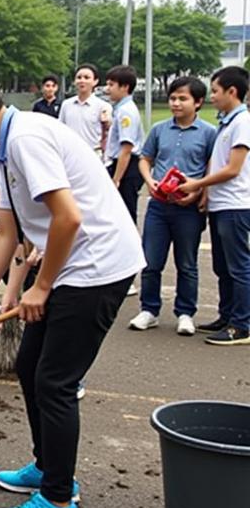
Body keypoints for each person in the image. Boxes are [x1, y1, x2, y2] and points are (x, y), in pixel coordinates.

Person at [0, 77, 143, 508]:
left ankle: (59, 502)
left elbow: (68, 217)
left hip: (97, 268)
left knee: (55, 381)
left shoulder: (26, 139)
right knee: (29, 366)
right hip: (72, 267)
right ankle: (48, 468)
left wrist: (40, 288)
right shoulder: (4, 151)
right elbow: (8, 232)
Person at [129, 77, 215, 336]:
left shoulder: (209, 132)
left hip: (188, 208)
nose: (176, 103)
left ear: (198, 102)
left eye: (182, 98)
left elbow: (212, 166)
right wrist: (149, 180)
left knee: (186, 263)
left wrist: (200, 191)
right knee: (151, 260)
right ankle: (149, 310)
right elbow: (145, 159)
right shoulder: (159, 129)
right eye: (173, 98)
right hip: (158, 204)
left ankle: (186, 313)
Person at [177, 65, 250, 345]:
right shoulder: (227, 121)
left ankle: (241, 325)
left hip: (235, 205)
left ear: (232, 91)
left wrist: (197, 184)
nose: (213, 97)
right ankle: (228, 314)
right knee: (223, 266)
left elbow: (233, 169)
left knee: (238, 266)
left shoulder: (242, 122)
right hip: (221, 204)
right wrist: (207, 191)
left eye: (216, 91)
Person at [103, 64, 144, 223]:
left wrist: (116, 178)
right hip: (121, 165)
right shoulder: (120, 109)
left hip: (126, 168)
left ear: (125, 87)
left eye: (111, 84)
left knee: (125, 214)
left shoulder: (126, 111)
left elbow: (126, 149)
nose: (108, 89)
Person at [58, 63, 111, 158]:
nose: (82, 80)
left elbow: (108, 132)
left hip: (93, 154)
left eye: (87, 78)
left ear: (95, 81)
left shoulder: (103, 106)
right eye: (79, 77)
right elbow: (61, 129)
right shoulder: (66, 104)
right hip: (70, 154)